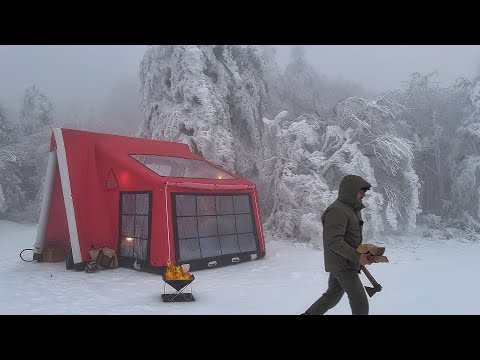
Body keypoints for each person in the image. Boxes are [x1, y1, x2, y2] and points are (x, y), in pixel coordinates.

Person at [303, 174, 373, 315]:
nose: (364, 195)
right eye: (361, 191)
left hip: (346, 261)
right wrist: (357, 256)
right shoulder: (337, 210)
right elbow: (334, 240)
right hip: (342, 264)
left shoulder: (352, 209)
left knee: (332, 296)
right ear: (351, 191)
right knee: (360, 302)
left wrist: (363, 251)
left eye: (365, 191)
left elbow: (348, 236)